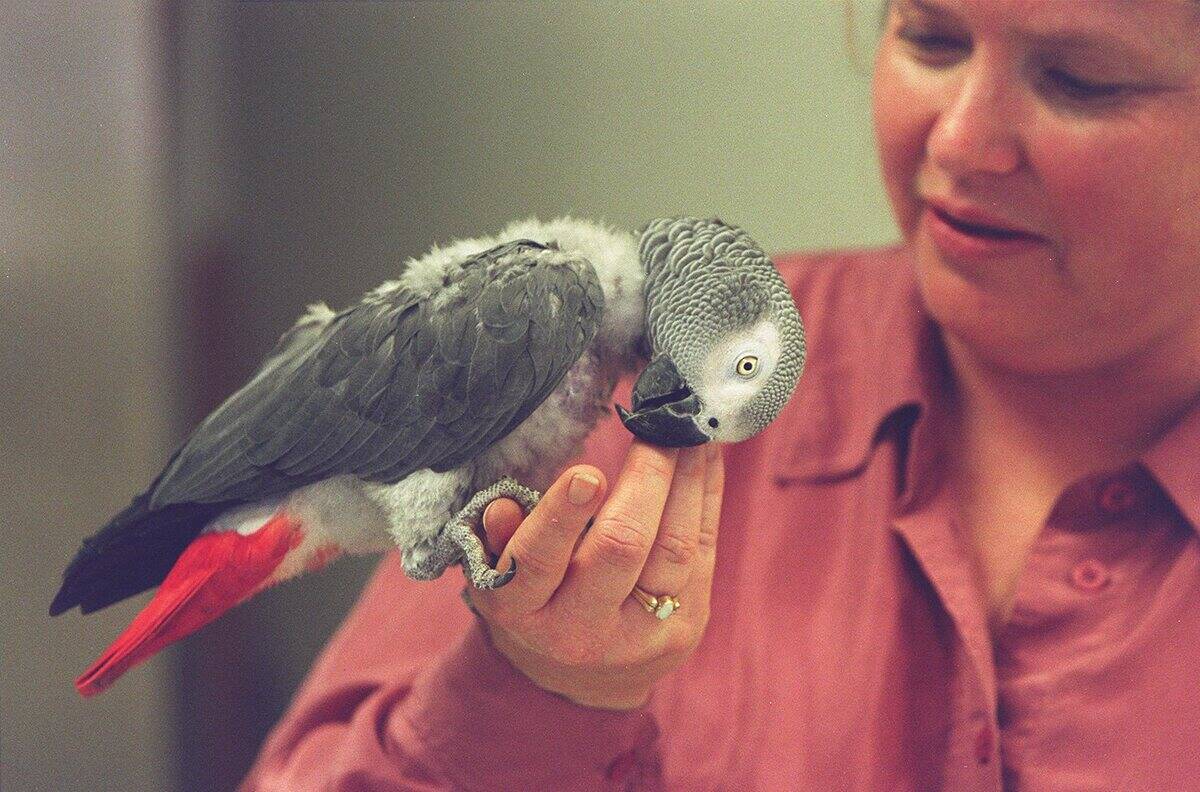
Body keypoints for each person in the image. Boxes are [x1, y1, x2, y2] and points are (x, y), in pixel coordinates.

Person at [243, 1, 1200, 789]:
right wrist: (533, 692)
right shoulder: (644, 381)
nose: (961, 138)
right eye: (931, 39)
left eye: (1083, 82)